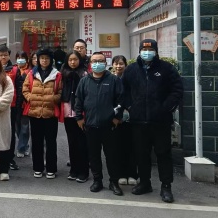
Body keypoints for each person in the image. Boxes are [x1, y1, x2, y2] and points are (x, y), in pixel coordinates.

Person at [122, 39, 183, 203]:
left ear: (156, 51)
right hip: (138, 121)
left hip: (160, 121)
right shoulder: (131, 70)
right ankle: (145, 183)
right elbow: (123, 90)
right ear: (140, 51)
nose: (147, 52)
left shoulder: (167, 69)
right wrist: (130, 107)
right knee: (141, 154)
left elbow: (177, 90)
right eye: (144, 49)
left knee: (163, 153)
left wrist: (166, 108)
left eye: (150, 50)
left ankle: (166, 186)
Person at [74, 51, 124, 196]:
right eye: (94, 61)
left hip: (110, 125)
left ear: (105, 63)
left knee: (112, 156)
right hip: (90, 125)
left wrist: (117, 117)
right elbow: (78, 101)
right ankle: (97, 180)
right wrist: (79, 118)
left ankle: (114, 182)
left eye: (101, 61)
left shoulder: (114, 80)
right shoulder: (84, 81)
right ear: (90, 64)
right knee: (94, 156)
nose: (97, 63)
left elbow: (121, 100)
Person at [22, 48, 62, 179]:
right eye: (42, 58)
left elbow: (61, 91)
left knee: (51, 142)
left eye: (47, 58)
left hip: (50, 113)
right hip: (35, 113)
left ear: (51, 60)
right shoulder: (31, 73)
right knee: (36, 142)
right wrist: (30, 98)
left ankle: (51, 169)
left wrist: (53, 99)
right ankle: (38, 168)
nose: (44, 60)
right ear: (38, 60)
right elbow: (25, 89)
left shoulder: (57, 74)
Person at [60, 51, 89, 183]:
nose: (72, 62)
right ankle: (74, 169)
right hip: (68, 112)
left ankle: (83, 171)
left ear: (79, 61)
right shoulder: (63, 74)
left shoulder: (84, 74)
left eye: (75, 59)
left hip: (81, 113)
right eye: (70, 60)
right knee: (72, 142)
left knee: (82, 142)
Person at [112, 55, 137, 186]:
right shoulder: (110, 79)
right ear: (112, 65)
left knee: (132, 147)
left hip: (130, 118)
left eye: (121, 63)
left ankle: (132, 174)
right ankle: (121, 174)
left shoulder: (130, 79)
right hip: (116, 119)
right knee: (118, 148)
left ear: (125, 65)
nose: (118, 66)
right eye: (116, 64)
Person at [0, 45, 19, 171]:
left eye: (5, 55)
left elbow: (19, 88)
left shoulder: (14, 70)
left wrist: (19, 104)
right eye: (0, 55)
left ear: (9, 56)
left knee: (10, 132)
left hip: (12, 105)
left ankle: (10, 158)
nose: (3, 57)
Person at [14, 51, 31, 158]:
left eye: (22, 57)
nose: (20, 59)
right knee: (17, 127)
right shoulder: (14, 70)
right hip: (15, 103)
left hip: (25, 103)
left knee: (24, 127)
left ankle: (21, 148)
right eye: (18, 57)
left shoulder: (30, 71)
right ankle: (25, 145)